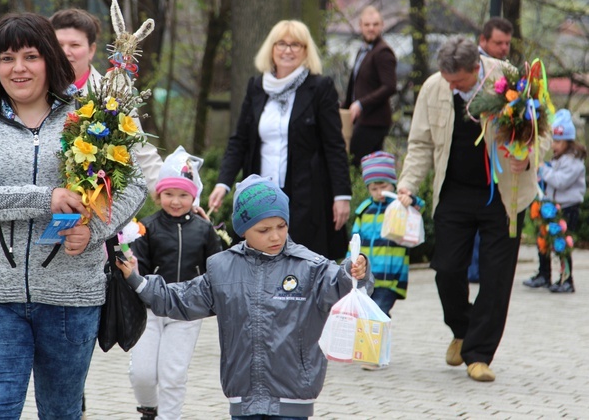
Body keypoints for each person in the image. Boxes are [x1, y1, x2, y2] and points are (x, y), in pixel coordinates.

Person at [0, 13, 147, 418]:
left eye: (30, 56)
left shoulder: (91, 118)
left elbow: (135, 186)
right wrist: (47, 197)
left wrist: (95, 231)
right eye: (6, 58)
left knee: (61, 412)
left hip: (72, 297)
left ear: (50, 61)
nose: (18, 68)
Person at [117, 174, 371, 419]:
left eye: (281, 226)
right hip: (243, 395)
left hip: (294, 393)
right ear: (243, 229)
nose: (275, 236)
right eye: (263, 230)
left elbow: (342, 286)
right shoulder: (222, 267)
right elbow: (182, 298)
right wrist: (138, 282)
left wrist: (355, 272)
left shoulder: (310, 267)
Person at [396, 36, 545, 383]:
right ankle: (462, 330)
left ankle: (479, 355)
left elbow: (541, 131)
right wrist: (408, 183)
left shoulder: (509, 80)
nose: (451, 87)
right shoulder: (434, 87)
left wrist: (528, 157)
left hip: (503, 194)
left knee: (495, 278)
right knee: (446, 269)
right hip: (454, 193)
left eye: (458, 82)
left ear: (476, 69)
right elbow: (420, 143)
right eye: (447, 80)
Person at [207, 20, 352, 260]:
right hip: (262, 196)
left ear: (306, 51)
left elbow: (334, 146)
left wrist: (342, 196)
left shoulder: (320, 87)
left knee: (305, 263)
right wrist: (223, 183)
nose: (288, 50)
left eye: (296, 44)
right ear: (271, 48)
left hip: (307, 195)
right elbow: (239, 141)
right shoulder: (256, 87)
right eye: (282, 43)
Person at [127, 146, 223, 420]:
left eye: (183, 194)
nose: (176, 201)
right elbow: (139, 269)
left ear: (194, 196)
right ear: (158, 195)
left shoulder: (205, 230)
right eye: (169, 194)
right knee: (142, 373)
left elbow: (215, 268)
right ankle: (148, 407)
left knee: (173, 374)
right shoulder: (146, 227)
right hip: (150, 310)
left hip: (187, 312)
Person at [50, 8, 163, 192]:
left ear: (91, 50)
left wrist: (168, 190)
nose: (65, 52)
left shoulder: (112, 93)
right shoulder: (36, 91)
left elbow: (140, 151)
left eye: (75, 45)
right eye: (58, 45)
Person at [349, 151, 424, 320]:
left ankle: (376, 345)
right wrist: (349, 267)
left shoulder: (400, 206)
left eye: (383, 186)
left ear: (393, 183)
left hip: (390, 279)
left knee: (378, 313)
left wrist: (411, 200)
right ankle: (373, 345)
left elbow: (420, 208)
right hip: (366, 278)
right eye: (373, 188)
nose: (379, 192)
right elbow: (354, 243)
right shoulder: (363, 210)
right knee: (365, 316)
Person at [469, 17, 515, 283]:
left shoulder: (507, 70)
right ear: (483, 41)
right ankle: (474, 268)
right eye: (498, 42)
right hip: (477, 154)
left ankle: (483, 267)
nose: (504, 48)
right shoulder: (473, 68)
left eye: (507, 43)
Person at [524, 109, 586, 293]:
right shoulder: (559, 158)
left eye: (558, 141)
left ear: (569, 141)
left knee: (562, 245)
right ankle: (544, 274)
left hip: (567, 209)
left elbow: (561, 181)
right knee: (543, 240)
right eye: (553, 141)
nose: (554, 146)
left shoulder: (574, 161)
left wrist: (544, 171)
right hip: (552, 207)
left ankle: (567, 279)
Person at [344, 6, 398, 166]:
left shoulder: (383, 52)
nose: (371, 28)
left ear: (382, 25)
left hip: (374, 121)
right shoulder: (363, 50)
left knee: (357, 165)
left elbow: (390, 86)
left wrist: (361, 104)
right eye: (367, 25)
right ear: (360, 26)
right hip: (361, 120)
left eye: (375, 24)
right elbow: (355, 83)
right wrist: (345, 106)